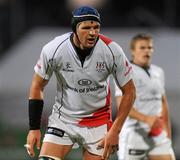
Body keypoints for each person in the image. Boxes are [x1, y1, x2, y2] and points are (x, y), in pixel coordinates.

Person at [25, 6, 136, 160]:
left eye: (96, 27)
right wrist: (34, 128)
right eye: (86, 27)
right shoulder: (54, 50)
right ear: (75, 29)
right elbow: (37, 85)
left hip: (98, 123)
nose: (92, 32)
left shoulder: (112, 51)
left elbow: (130, 91)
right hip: (63, 120)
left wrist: (116, 131)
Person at [115, 33, 176, 160]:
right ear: (133, 51)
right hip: (134, 134)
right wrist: (146, 119)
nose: (147, 51)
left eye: (150, 47)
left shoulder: (158, 71)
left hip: (157, 134)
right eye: (142, 48)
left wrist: (167, 132)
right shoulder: (125, 72)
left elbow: (163, 102)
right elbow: (122, 105)